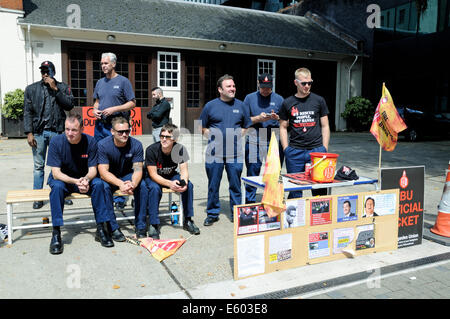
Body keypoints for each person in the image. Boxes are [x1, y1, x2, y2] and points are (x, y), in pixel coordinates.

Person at [46, 114, 116, 254]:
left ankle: (101, 228)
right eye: (67, 129)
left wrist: (86, 179)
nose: (70, 133)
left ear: (82, 129)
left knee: (99, 185)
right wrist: (76, 181)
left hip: (83, 178)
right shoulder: (56, 142)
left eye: (74, 130)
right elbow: (56, 174)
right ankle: (56, 232)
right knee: (57, 188)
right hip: (64, 179)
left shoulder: (90, 142)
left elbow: (92, 170)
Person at [199, 74, 252, 226]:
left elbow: (247, 124)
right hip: (214, 154)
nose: (232, 88)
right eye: (228, 86)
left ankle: (236, 213)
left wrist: (240, 133)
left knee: (235, 185)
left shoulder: (241, 106)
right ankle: (212, 213)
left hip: (235, 154)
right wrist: (209, 134)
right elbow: (200, 125)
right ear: (220, 90)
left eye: (233, 86)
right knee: (213, 185)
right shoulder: (210, 106)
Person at [24, 60, 75, 210]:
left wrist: (55, 89)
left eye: (48, 71)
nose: (45, 74)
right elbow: (27, 112)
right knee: (38, 166)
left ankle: (63, 193)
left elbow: (69, 105)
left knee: (61, 165)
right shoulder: (31, 89)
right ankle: (38, 197)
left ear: (54, 72)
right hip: (39, 133)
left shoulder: (63, 87)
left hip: (58, 132)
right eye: (43, 71)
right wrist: (29, 133)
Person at [92, 52, 136, 208]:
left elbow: (132, 103)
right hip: (101, 126)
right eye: (102, 63)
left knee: (119, 161)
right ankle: (105, 192)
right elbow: (97, 102)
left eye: (106, 63)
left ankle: (120, 198)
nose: (103, 66)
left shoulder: (123, 82)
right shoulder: (99, 82)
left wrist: (114, 109)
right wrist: (94, 110)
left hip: (117, 126)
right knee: (102, 160)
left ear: (113, 64)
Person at [279, 67, 330, 199]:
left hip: (317, 150)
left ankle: (320, 218)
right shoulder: (287, 103)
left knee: (319, 188)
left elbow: (325, 125)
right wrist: (286, 149)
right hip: (295, 151)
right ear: (296, 82)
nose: (307, 86)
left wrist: (324, 148)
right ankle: (295, 219)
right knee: (295, 188)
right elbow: (283, 127)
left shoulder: (319, 101)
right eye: (304, 83)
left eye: (310, 83)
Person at [143, 123, 200, 239]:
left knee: (189, 186)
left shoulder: (180, 149)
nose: (163, 139)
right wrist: (170, 184)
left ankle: (188, 220)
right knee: (154, 188)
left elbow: (184, 171)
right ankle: (154, 223)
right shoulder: (151, 150)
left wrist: (184, 183)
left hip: (171, 175)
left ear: (175, 139)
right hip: (153, 177)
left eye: (167, 137)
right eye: (161, 136)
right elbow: (153, 175)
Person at [97, 117, 145, 241]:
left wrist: (133, 183)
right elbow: (103, 172)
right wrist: (120, 184)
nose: (124, 134)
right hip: (111, 176)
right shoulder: (103, 145)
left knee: (143, 185)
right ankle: (113, 228)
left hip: (127, 175)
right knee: (104, 187)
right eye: (120, 132)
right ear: (112, 131)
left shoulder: (136, 144)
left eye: (127, 131)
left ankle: (140, 226)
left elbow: (138, 169)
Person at [243, 73, 284, 204]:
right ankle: (250, 202)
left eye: (268, 87)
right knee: (253, 172)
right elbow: (243, 120)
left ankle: (272, 200)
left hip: (273, 138)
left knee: (274, 172)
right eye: (263, 87)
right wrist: (258, 118)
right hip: (254, 137)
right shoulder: (249, 98)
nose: (266, 90)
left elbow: (285, 121)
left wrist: (277, 118)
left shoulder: (279, 99)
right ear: (258, 84)